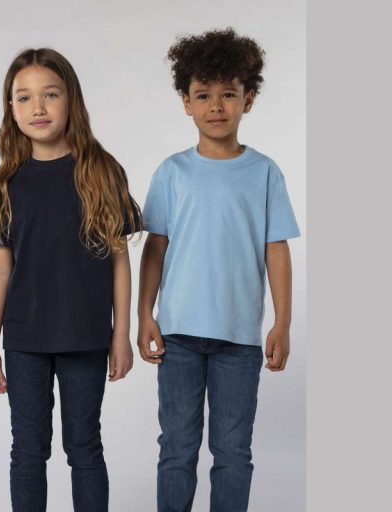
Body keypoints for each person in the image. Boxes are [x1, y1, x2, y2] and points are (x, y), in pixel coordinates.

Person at [0, 47, 142, 512]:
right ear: (11, 108)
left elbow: (120, 260)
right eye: (24, 97)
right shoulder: (5, 184)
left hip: (85, 335)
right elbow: (0, 269)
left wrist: (120, 334)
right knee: (28, 450)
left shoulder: (102, 172)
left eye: (50, 94)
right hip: (24, 340)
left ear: (71, 100)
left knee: (84, 447)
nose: (38, 107)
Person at [137, 28, 301, 512]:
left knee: (233, 452)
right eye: (203, 94)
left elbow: (276, 250)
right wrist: (145, 315)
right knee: (177, 448)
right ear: (186, 103)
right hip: (178, 336)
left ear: (247, 100)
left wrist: (282, 322)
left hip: (239, 340)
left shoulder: (265, 172)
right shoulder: (172, 172)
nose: (216, 106)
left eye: (228, 94)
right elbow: (155, 248)